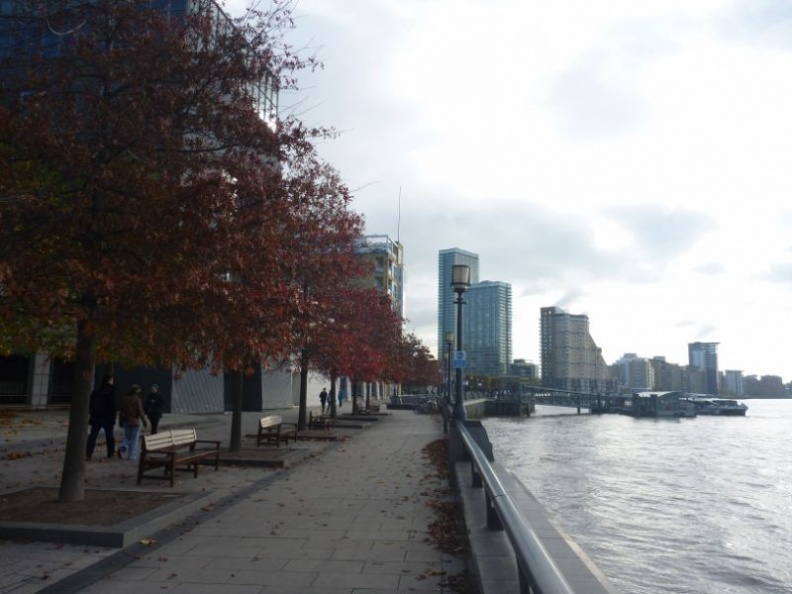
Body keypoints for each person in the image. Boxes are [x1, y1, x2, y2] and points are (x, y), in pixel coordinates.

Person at [86, 375, 116, 460]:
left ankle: (88, 453)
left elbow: (91, 405)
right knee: (109, 436)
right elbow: (113, 406)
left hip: (96, 417)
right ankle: (110, 453)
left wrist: (92, 414)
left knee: (93, 435)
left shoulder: (96, 391)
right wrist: (113, 418)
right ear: (109, 381)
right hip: (107, 418)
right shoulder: (111, 392)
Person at [117, 385, 148, 460]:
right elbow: (140, 412)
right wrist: (144, 421)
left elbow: (121, 411)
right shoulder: (137, 400)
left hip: (126, 420)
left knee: (127, 437)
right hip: (135, 421)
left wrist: (120, 421)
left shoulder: (125, 399)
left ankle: (123, 446)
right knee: (134, 439)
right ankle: (132, 455)